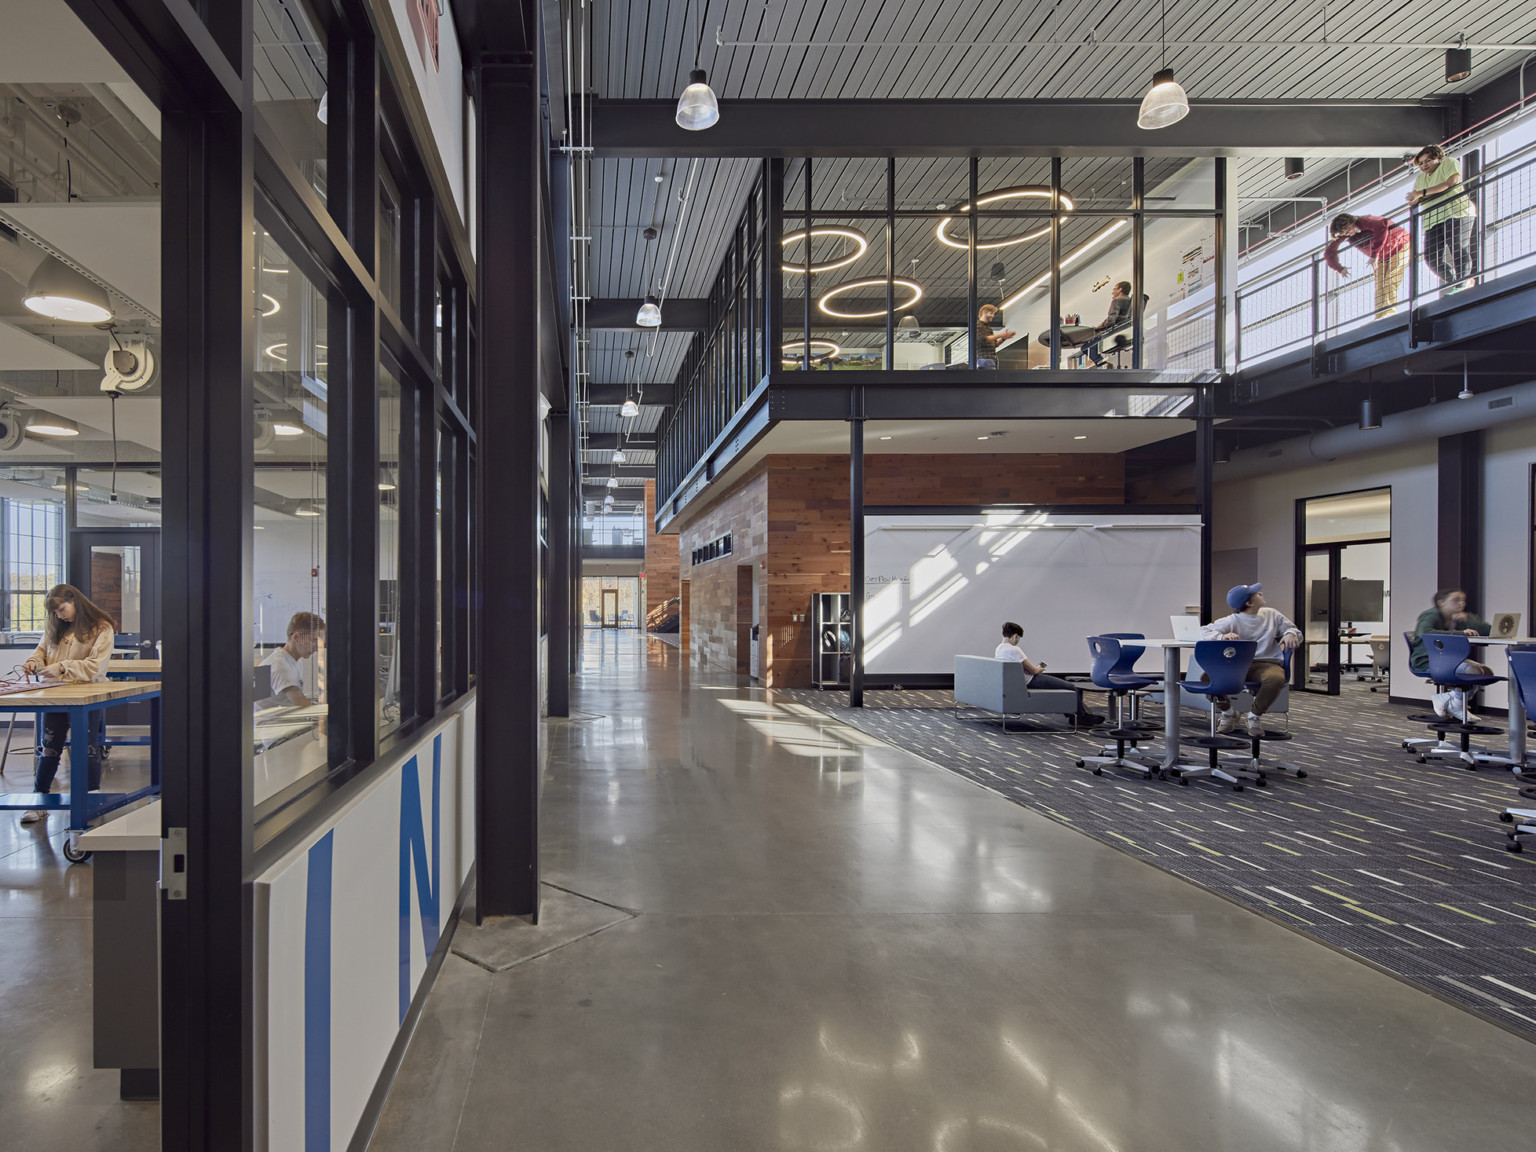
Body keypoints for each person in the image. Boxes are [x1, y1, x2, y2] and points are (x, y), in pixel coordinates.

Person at [18, 584, 115, 826]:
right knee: (49, 747)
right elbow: (41, 650)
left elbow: (96, 666)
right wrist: (33, 661)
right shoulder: (56, 626)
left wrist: (63, 667)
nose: (59, 615)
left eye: (62, 609)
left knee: (88, 748)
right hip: (56, 694)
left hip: (87, 696)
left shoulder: (101, 627)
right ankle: (40, 799)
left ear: (75, 601)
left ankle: (91, 798)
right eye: (55, 612)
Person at [1200, 583, 1302, 737]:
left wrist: (1291, 633)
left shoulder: (1272, 614)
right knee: (1206, 679)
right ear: (1249, 603)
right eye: (1257, 593)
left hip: (1266, 663)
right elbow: (1203, 631)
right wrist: (1222, 636)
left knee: (1275, 679)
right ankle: (1228, 713)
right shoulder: (1232, 620)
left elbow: (1295, 631)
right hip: (1238, 665)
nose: (1261, 593)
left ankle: (1254, 716)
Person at [995, 622, 1102, 726]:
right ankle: (1082, 717)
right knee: (1071, 687)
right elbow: (1034, 671)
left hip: (1019, 681)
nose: (1018, 641)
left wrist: (1023, 670)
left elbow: (1013, 667)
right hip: (1031, 680)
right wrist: (1040, 668)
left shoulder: (999, 649)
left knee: (1066, 688)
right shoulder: (1015, 650)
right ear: (1015, 636)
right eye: (1018, 638)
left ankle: (1074, 715)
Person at [1409, 588, 1491, 723]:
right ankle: (1454, 702)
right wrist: (1461, 633)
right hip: (1428, 661)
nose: (1461, 603)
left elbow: (1487, 631)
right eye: (1456, 600)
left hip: (1448, 660)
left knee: (1486, 672)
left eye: (1463, 600)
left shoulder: (1458, 618)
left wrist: (1469, 619)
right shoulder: (1430, 614)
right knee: (1473, 671)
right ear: (1441, 602)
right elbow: (1424, 632)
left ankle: (1450, 700)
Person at [1407, 145, 1477, 295]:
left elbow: (1451, 182)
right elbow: (1414, 199)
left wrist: (1422, 193)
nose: (1424, 165)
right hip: (1433, 219)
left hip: (1457, 212)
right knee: (1431, 259)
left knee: (1457, 245)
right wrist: (1413, 198)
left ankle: (1462, 282)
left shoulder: (1448, 163)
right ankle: (1456, 283)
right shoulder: (1420, 179)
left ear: (1438, 158)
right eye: (1421, 163)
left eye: (1428, 161)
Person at [1325, 212, 1410, 319]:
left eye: (1349, 229)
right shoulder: (1347, 234)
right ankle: (1379, 315)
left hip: (1400, 245)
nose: (1350, 233)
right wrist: (1339, 268)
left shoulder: (1365, 220)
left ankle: (1389, 311)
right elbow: (1329, 253)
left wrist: (1374, 255)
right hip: (1381, 256)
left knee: (1391, 279)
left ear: (1352, 222)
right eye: (1346, 232)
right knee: (1380, 285)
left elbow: (1381, 227)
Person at [260, 611, 327, 709]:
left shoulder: (294, 660)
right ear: (296, 637)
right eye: (313, 640)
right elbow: (303, 706)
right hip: (268, 723)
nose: (317, 648)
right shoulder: (280, 665)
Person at [1085, 281, 1132, 367]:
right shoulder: (1130, 301)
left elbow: (1110, 321)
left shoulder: (1116, 301)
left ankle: (1104, 364)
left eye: (1114, 289)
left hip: (1114, 331)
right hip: (1124, 330)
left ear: (1120, 290)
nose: (1112, 292)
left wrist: (1098, 329)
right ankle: (1105, 363)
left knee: (1086, 345)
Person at [975, 304, 1015, 369]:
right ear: (983, 312)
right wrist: (1001, 335)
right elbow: (982, 339)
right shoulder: (978, 326)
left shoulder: (988, 328)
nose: (993, 316)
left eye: (993, 314)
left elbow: (995, 345)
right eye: (991, 313)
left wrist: (1003, 338)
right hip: (985, 359)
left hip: (992, 359)